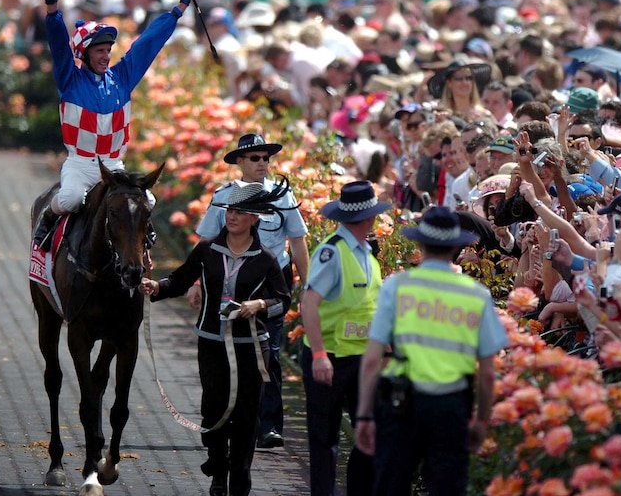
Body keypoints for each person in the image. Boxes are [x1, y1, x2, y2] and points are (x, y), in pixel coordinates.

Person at [139, 181, 291, 496]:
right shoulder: (207, 250)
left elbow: (283, 301)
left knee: (248, 417)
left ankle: (239, 482)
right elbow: (180, 279)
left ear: (255, 218)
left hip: (251, 347)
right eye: (229, 210)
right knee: (214, 409)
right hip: (211, 341)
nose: (231, 216)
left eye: (239, 212)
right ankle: (217, 468)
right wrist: (157, 288)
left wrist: (259, 304)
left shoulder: (265, 259)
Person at [26, 0, 192, 250]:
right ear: (85, 54)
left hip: (114, 166)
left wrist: (178, 9)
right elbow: (58, 46)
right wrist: (52, 9)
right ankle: (47, 217)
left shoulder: (122, 77)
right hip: (80, 165)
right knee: (70, 199)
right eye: (99, 51)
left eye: (108, 50)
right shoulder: (70, 80)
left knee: (147, 201)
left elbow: (148, 43)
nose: (106, 55)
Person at [354, 206, 509, 495]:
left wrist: (364, 415)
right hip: (450, 407)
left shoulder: (397, 287)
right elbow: (488, 373)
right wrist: (481, 422)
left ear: (420, 244)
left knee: (390, 486)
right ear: (456, 246)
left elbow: (373, 358)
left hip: (402, 403)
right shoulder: (475, 294)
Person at [189, 133, 310, 449]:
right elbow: (207, 244)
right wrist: (197, 283)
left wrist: (308, 285)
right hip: (230, 282)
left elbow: (297, 240)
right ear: (239, 162)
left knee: (267, 353)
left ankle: (267, 426)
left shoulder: (283, 196)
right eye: (254, 158)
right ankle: (229, 420)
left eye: (265, 158)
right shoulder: (225, 196)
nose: (262, 164)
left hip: (271, 282)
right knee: (229, 352)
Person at [300, 180, 391, 496]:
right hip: (331, 359)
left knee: (371, 433)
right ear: (369, 218)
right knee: (324, 440)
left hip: (364, 360)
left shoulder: (368, 252)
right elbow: (309, 304)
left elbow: (371, 306)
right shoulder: (332, 252)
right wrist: (320, 355)